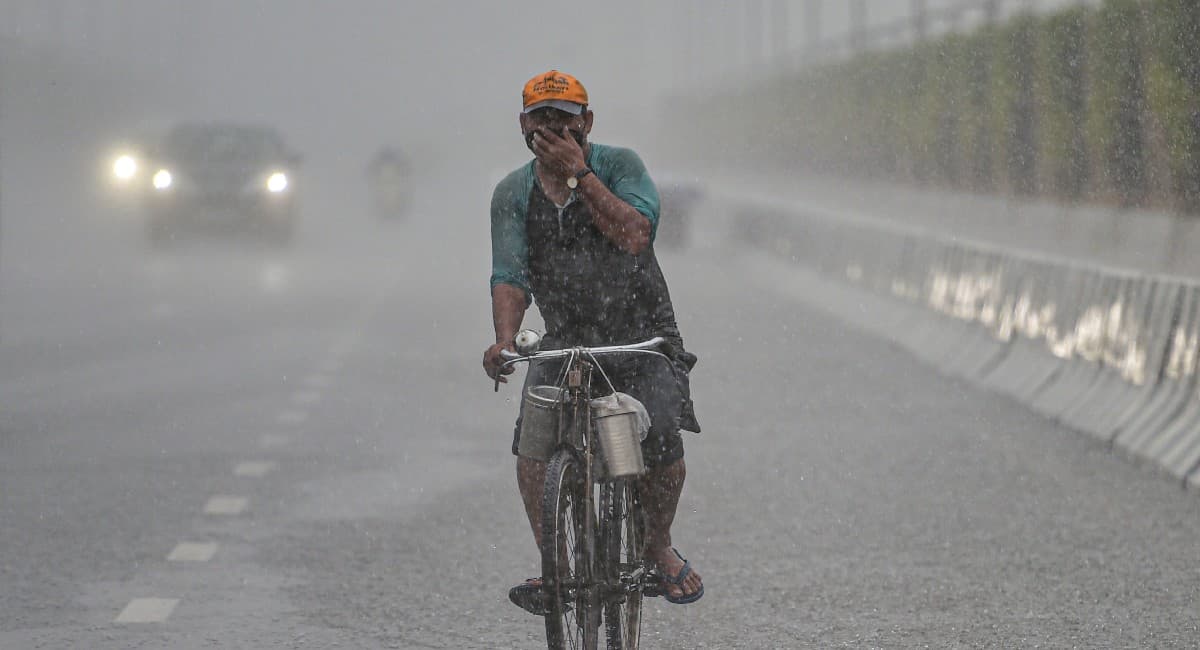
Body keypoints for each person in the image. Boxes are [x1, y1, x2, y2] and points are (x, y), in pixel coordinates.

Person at [482, 70, 704, 613]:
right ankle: (552, 565)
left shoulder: (620, 165)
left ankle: (656, 547)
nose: (554, 127)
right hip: (566, 337)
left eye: (566, 117)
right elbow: (509, 273)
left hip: (641, 334)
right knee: (534, 441)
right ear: (523, 125)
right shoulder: (513, 192)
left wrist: (579, 176)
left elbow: (634, 234)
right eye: (542, 118)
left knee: (661, 440)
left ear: (587, 122)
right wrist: (504, 340)